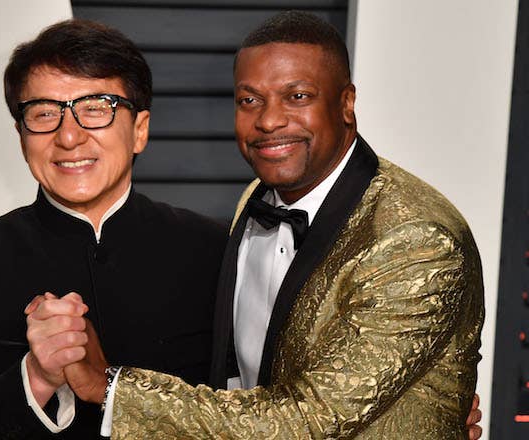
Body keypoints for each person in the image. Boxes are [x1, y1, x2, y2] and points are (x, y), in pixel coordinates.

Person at [60, 11, 485, 439]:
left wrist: (110, 387)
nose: (268, 120)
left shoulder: (415, 238)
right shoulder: (257, 196)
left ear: (346, 103)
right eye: (249, 100)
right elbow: (237, 375)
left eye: (297, 96)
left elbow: (310, 420)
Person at [0, 19, 226, 439]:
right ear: (21, 137)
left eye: (96, 108)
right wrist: (36, 377)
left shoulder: (214, 251)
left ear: (139, 130)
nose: (69, 136)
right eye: (44, 114)